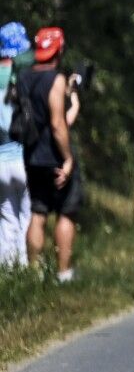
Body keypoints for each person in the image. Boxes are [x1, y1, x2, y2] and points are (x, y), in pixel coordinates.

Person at [22, 27, 82, 281]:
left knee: (38, 213)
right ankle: (64, 273)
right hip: (55, 156)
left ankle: (33, 272)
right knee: (66, 212)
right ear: (59, 50)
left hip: (32, 155)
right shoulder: (55, 80)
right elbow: (58, 124)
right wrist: (68, 159)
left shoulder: (24, 77)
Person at [0, 22, 32, 267]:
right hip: (24, 157)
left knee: (7, 220)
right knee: (27, 218)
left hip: (1, 160)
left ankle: (7, 271)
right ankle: (26, 269)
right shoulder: (25, 75)